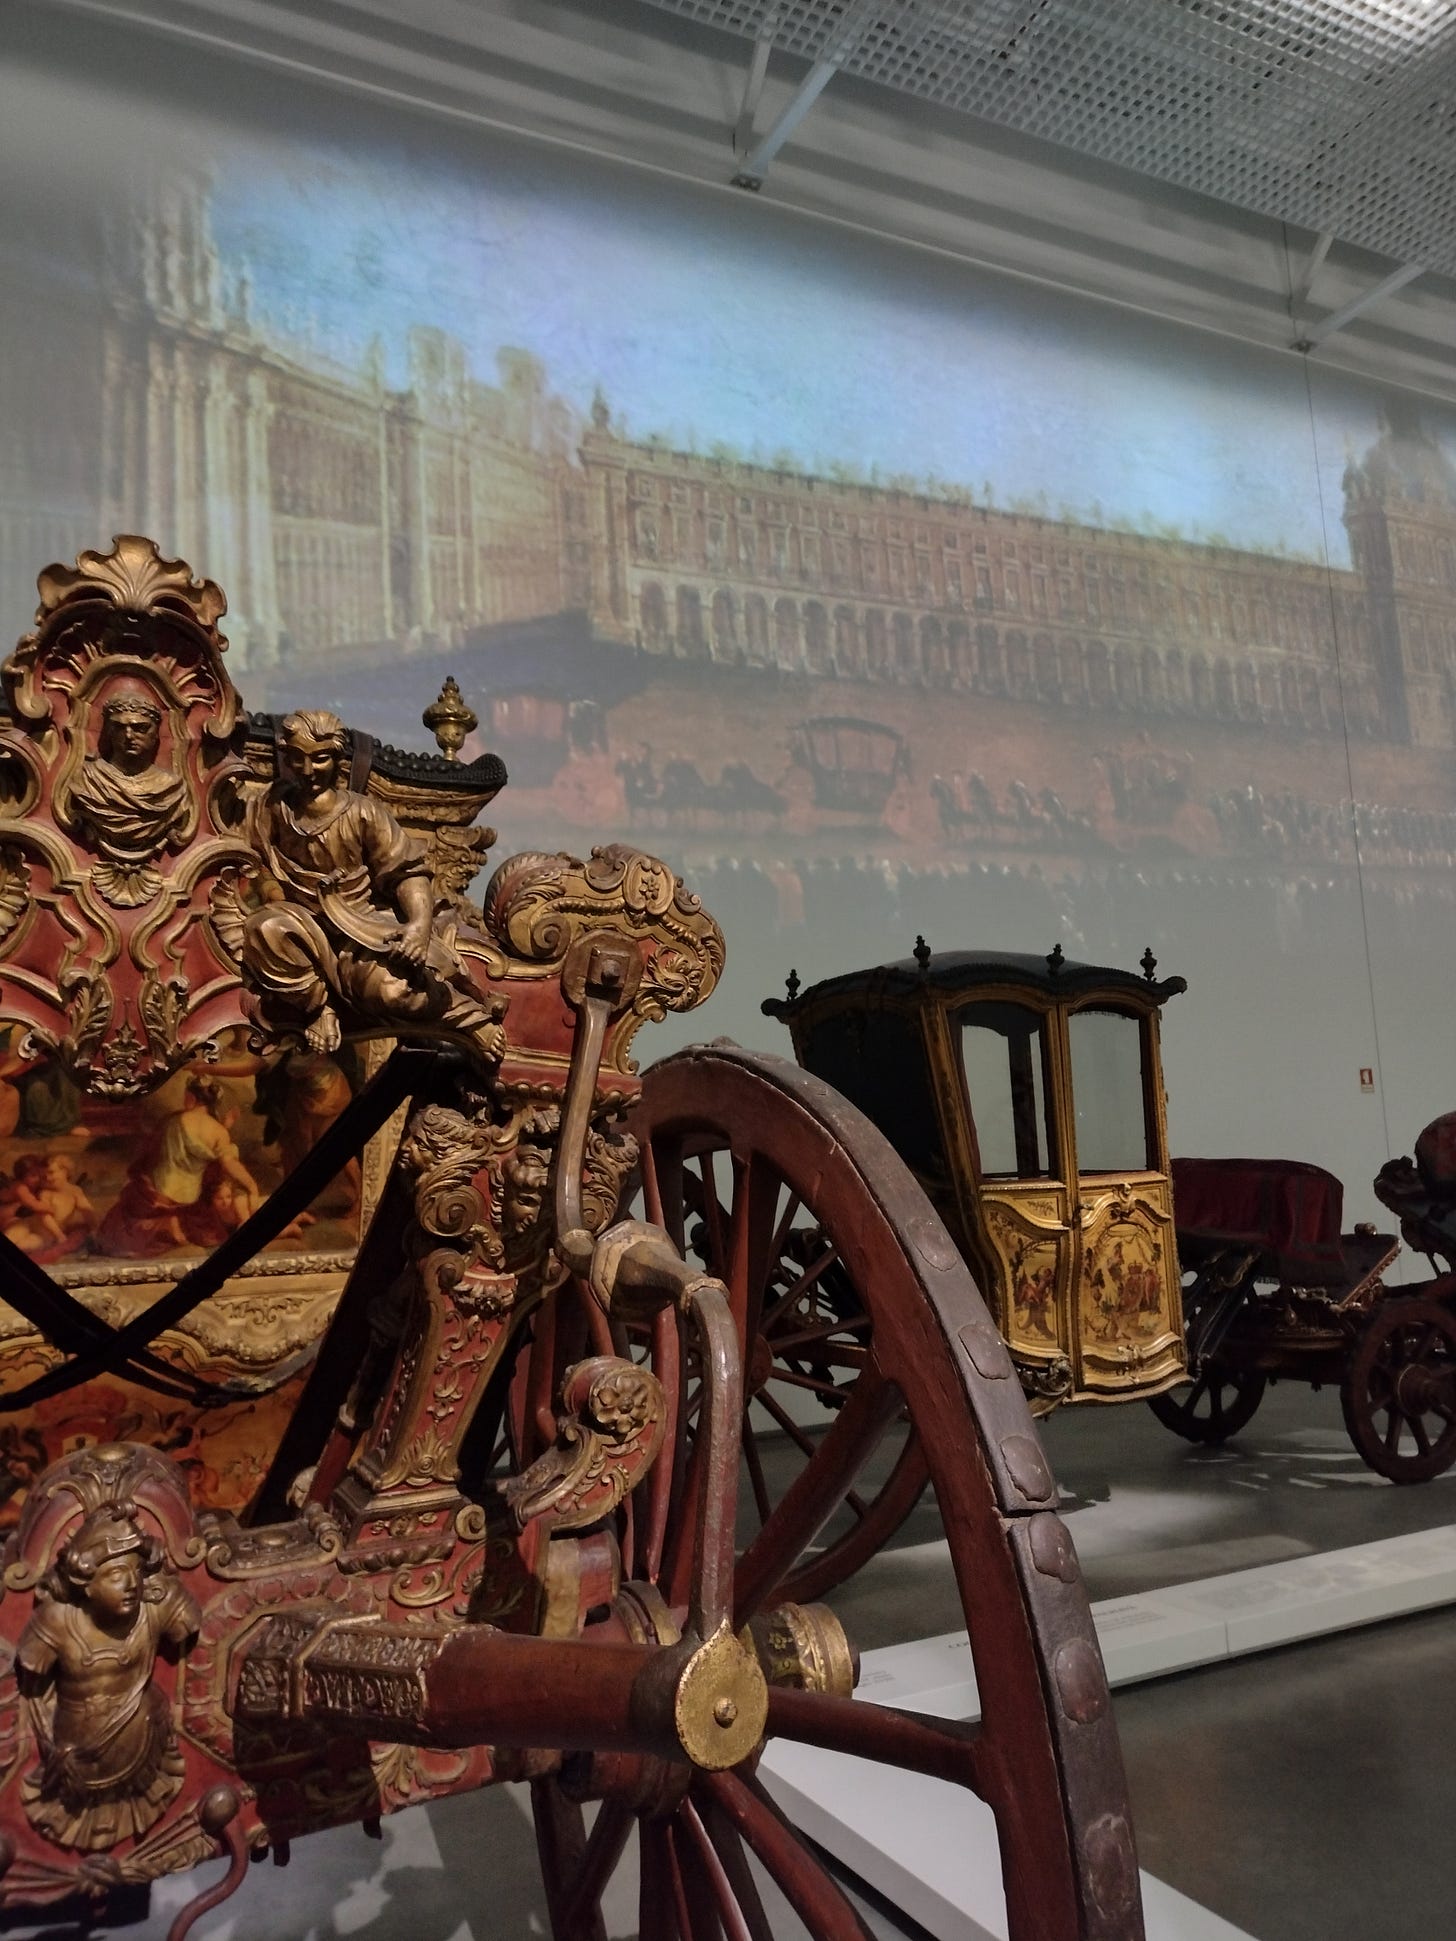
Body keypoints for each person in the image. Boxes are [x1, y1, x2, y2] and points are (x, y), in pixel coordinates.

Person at [241, 710, 500, 1057]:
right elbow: (247, 861)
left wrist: (419, 926)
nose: (308, 770)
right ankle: (320, 1008)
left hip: (360, 926)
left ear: (337, 759)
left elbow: (405, 871)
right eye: (297, 759)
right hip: (299, 925)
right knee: (265, 927)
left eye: (320, 759)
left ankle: (466, 1018)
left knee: (393, 991)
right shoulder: (271, 808)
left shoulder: (362, 813)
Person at [16, 1503, 200, 1848]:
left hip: (142, 1751)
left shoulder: (151, 1605)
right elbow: (30, 1689)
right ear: (86, 1584)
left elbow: (187, 1624)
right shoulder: (58, 1621)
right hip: (75, 1760)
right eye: (116, 1576)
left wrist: (156, 1568)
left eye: (134, 1572)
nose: (131, 1584)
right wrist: (51, 1748)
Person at [96, 1077, 263, 1259]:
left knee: (126, 1210)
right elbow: (227, 1163)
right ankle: (174, 1222)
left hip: (156, 1197)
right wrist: (252, 1186)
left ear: (190, 1098)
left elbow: (148, 1156)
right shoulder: (218, 1131)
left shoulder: (171, 1121)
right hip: (189, 1201)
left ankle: (167, 1223)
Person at [67, 686, 188, 862]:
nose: (129, 735)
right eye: (119, 727)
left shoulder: (172, 787)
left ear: (156, 734)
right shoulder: (87, 779)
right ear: (108, 731)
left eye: (140, 728)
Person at [0, 1153, 95, 1261]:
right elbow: (44, 1215)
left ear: (65, 1171)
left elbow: (87, 1211)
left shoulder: (75, 1191)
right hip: (28, 1224)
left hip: (45, 1235)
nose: (47, 1178)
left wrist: (94, 1227)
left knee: (23, 1246)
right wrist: (59, 1235)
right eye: (44, 1175)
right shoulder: (46, 1192)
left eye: (51, 1173)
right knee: (11, 1236)